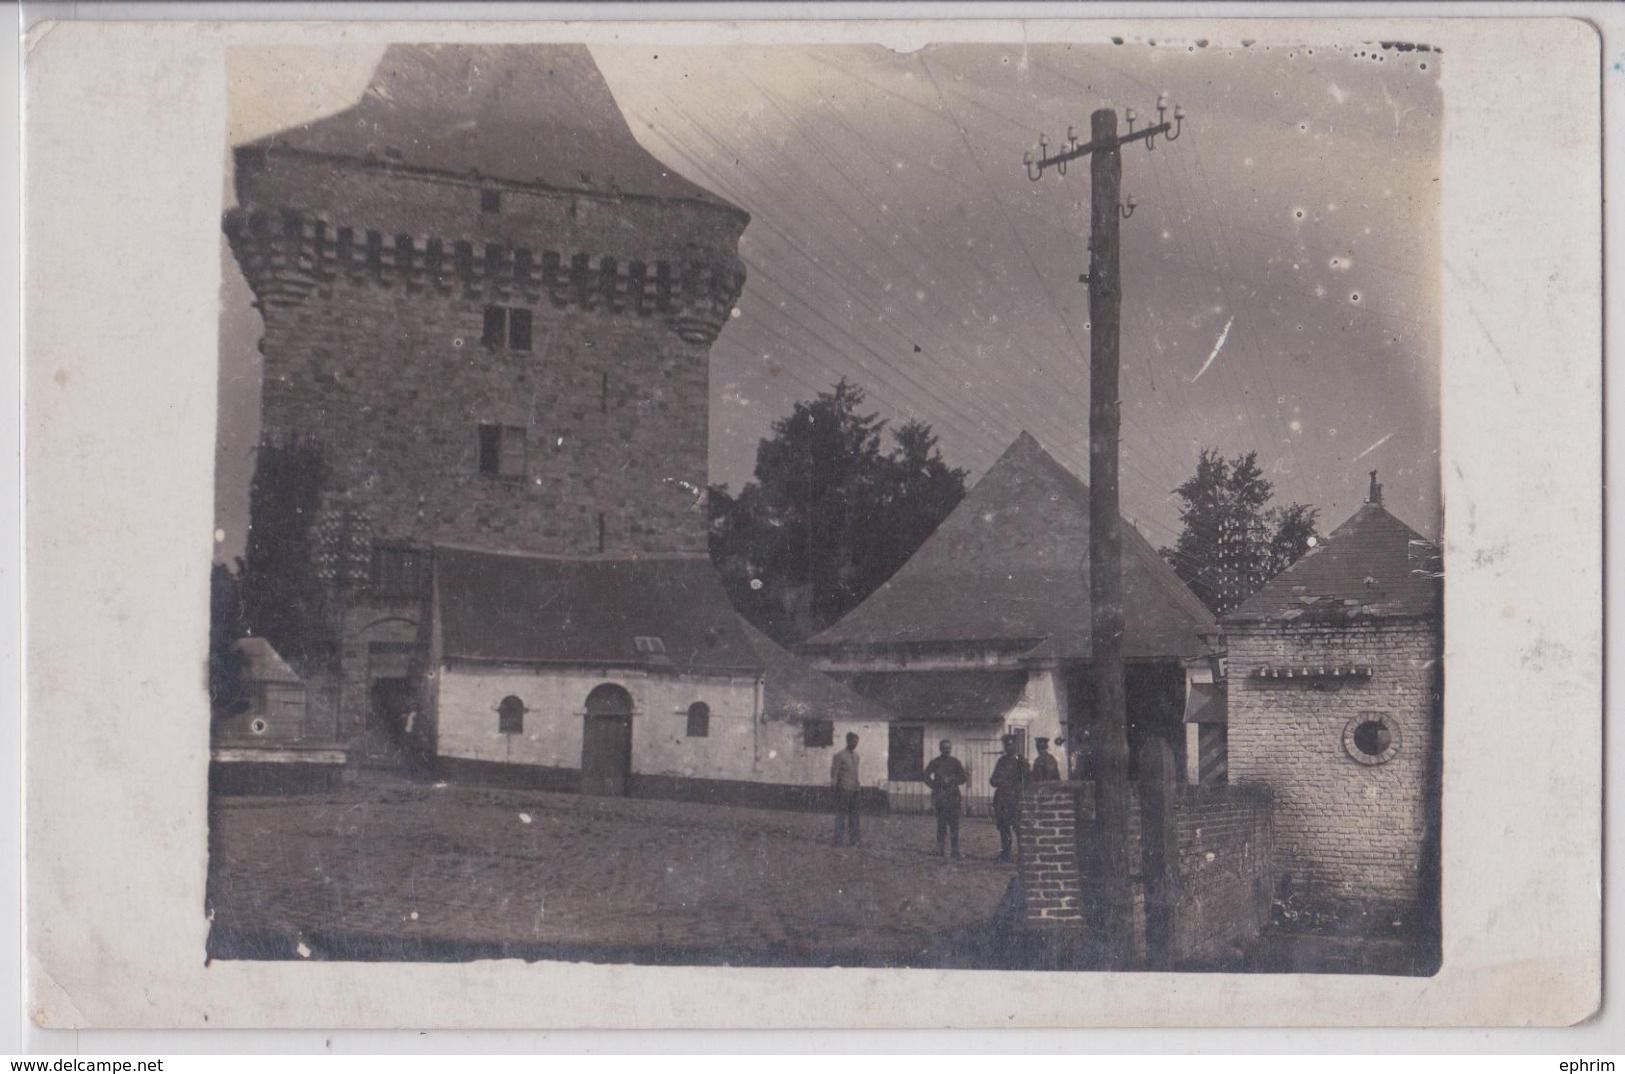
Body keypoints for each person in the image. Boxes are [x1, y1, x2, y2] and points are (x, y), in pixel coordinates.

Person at [920, 739, 968, 858]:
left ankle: (955, 851)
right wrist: (935, 785)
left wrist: (952, 780)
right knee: (941, 825)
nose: (946, 750)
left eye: (948, 748)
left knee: (954, 825)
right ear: (940, 749)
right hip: (940, 797)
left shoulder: (955, 762)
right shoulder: (935, 762)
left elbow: (963, 778)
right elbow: (925, 775)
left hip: (953, 797)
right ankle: (940, 850)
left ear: (950, 749)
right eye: (944, 748)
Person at [989, 733, 1030, 862]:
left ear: (1016, 746)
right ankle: (1006, 854)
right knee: (1003, 828)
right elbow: (993, 780)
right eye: (1007, 745)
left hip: (1016, 800)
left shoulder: (1021, 762)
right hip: (1002, 800)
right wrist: (998, 781)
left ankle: (1023, 856)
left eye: (1012, 745)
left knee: (1018, 828)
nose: (1009, 748)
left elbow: (1027, 779)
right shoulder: (1001, 761)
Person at [830, 731, 861, 846]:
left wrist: (858, 785)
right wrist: (834, 786)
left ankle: (854, 840)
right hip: (843, 789)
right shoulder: (840, 755)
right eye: (853, 741)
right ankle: (838, 840)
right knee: (841, 816)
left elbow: (856, 773)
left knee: (854, 817)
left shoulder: (856, 756)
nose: (855, 744)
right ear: (848, 741)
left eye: (857, 742)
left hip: (855, 790)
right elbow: (834, 772)